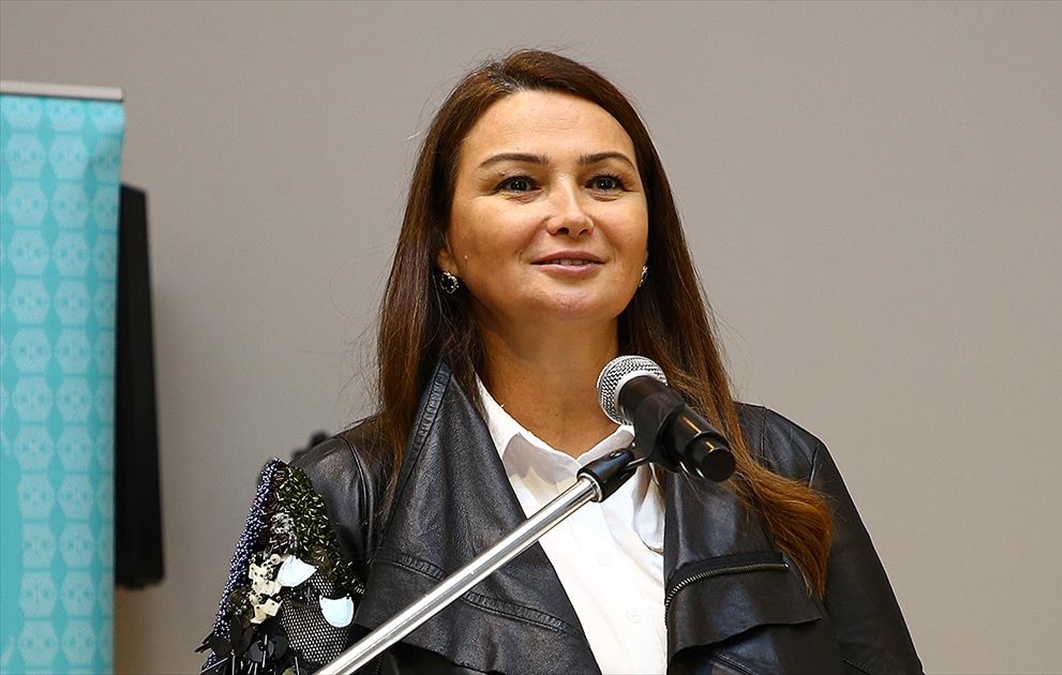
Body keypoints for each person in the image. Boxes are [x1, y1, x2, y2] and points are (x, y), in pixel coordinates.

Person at [198, 49, 922, 675]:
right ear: (444, 244)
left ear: (647, 238)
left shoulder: (780, 465)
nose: (573, 214)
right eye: (519, 183)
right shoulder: (337, 498)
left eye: (606, 182)